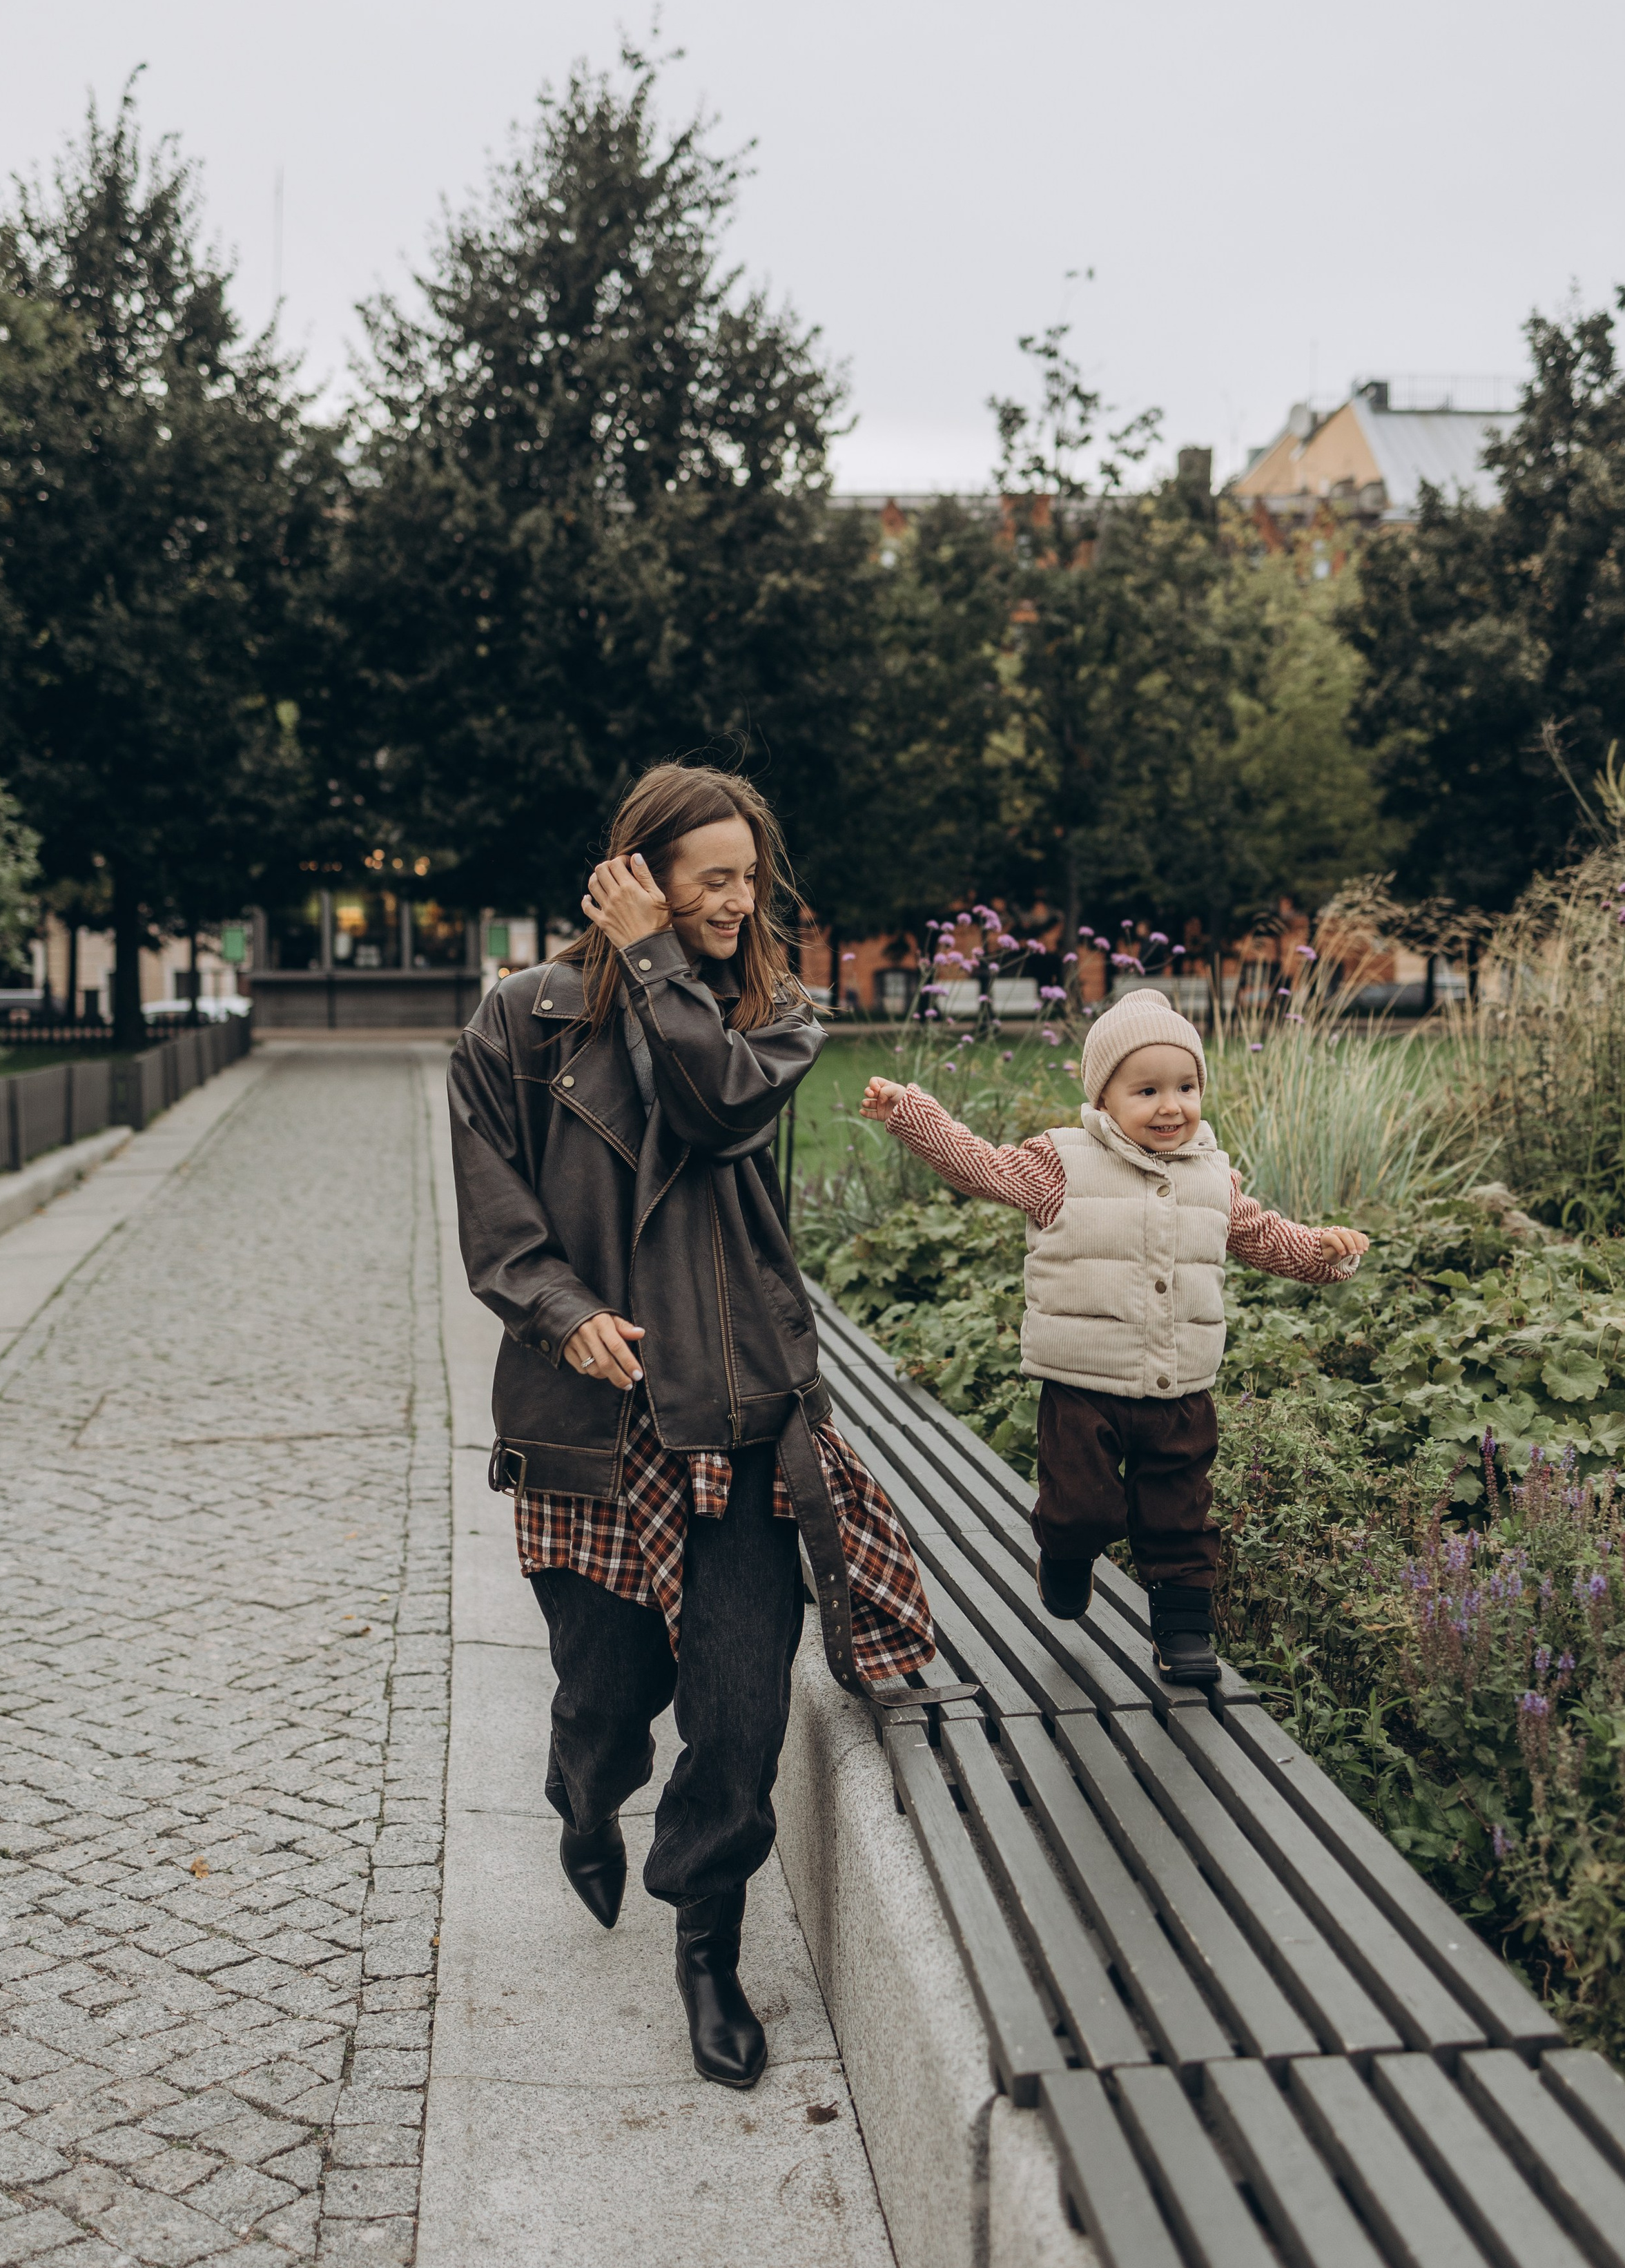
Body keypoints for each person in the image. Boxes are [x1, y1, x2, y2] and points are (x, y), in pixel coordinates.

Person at [449, 764, 933, 2090]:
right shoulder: (518, 1022)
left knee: (735, 1708)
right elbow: (494, 1213)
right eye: (710, 878)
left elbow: (713, 1104)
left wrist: (660, 959)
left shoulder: (773, 1016)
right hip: (589, 1413)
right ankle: (585, 1791)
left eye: (748, 878)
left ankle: (707, 1946)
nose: (738, 901)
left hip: (738, 1404)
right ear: (639, 873)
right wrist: (561, 1313)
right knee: (608, 1692)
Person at [860, 983, 1368, 1684]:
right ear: (1103, 1099)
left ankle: (1184, 1632)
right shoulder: (1061, 1164)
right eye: (1147, 1091)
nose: (1172, 1106)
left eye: (1186, 1087)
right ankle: (1066, 1552)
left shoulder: (1213, 1178)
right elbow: (980, 1166)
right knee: (1080, 1507)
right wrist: (912, 1113)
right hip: (1083, 1386)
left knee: (1180, 1515)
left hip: (1179, 1387)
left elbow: (1264, 1237)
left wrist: (1324, 1254)